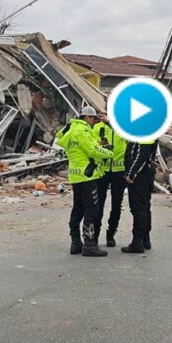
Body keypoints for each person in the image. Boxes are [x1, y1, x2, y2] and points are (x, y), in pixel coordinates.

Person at [55, 106, 114, 256]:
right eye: (93, 119)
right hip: (88, 175)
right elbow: (92, 150)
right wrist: (108, 152)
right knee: (91, 210)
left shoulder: (69, 130)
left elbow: (63, 139)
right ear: (87, 117)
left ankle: (75, 243)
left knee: (78, 209)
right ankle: (89, 244)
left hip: (75, 175)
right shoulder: (83, 130)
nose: (94, 122)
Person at [93, 110, 128, 247]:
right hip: (102, 171)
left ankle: (111, 234)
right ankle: (95, 235)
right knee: (98, 205)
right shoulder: (97, 128)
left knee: (116, 205)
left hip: (119, 171)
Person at [121, 137, 157, 253]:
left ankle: (137, 242)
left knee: (139, 209)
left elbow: (141, 155)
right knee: (144, 208)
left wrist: (131, 174)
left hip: (140, 176)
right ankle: (145, 239)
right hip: (145, 174)